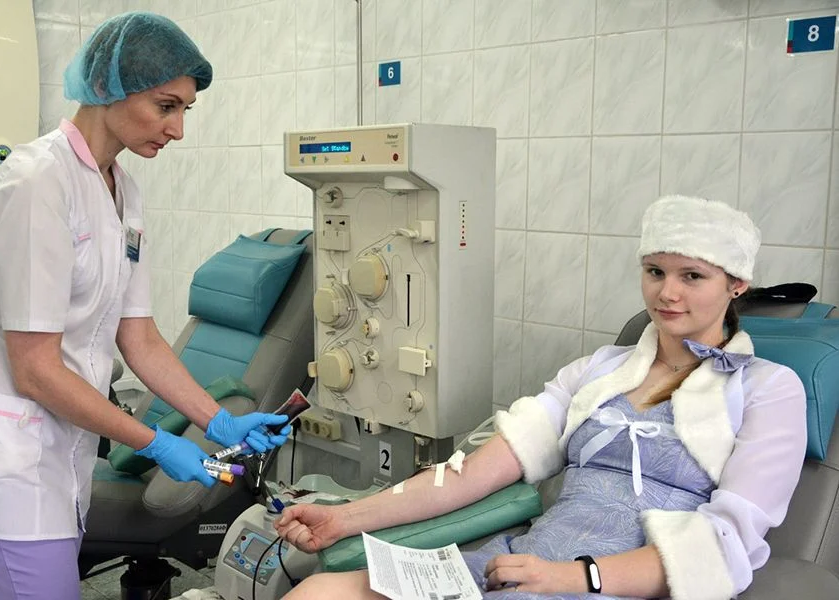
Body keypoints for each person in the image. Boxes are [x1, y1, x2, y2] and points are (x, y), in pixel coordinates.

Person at [275, 195, 807, 600]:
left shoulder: (768, 389)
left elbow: (725, 542)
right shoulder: (599, 370)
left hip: (617, 585)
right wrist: (345, 518)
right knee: (320, 593)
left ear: (737, 284)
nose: (668, 293)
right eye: (655, 272)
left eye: (692, 276)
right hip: (524, 565)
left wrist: (574, 577)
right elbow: (470, 475)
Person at [0, 12, 290, 600]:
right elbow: (35, 369)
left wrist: (218, 422)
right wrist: (153, 442)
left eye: (186, 109)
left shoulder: (122, 189)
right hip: (11, 461)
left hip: (62, 456)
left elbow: (139, 336)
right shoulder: (36, 184)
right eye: (165, 106)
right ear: (108, 88)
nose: (178, 129)